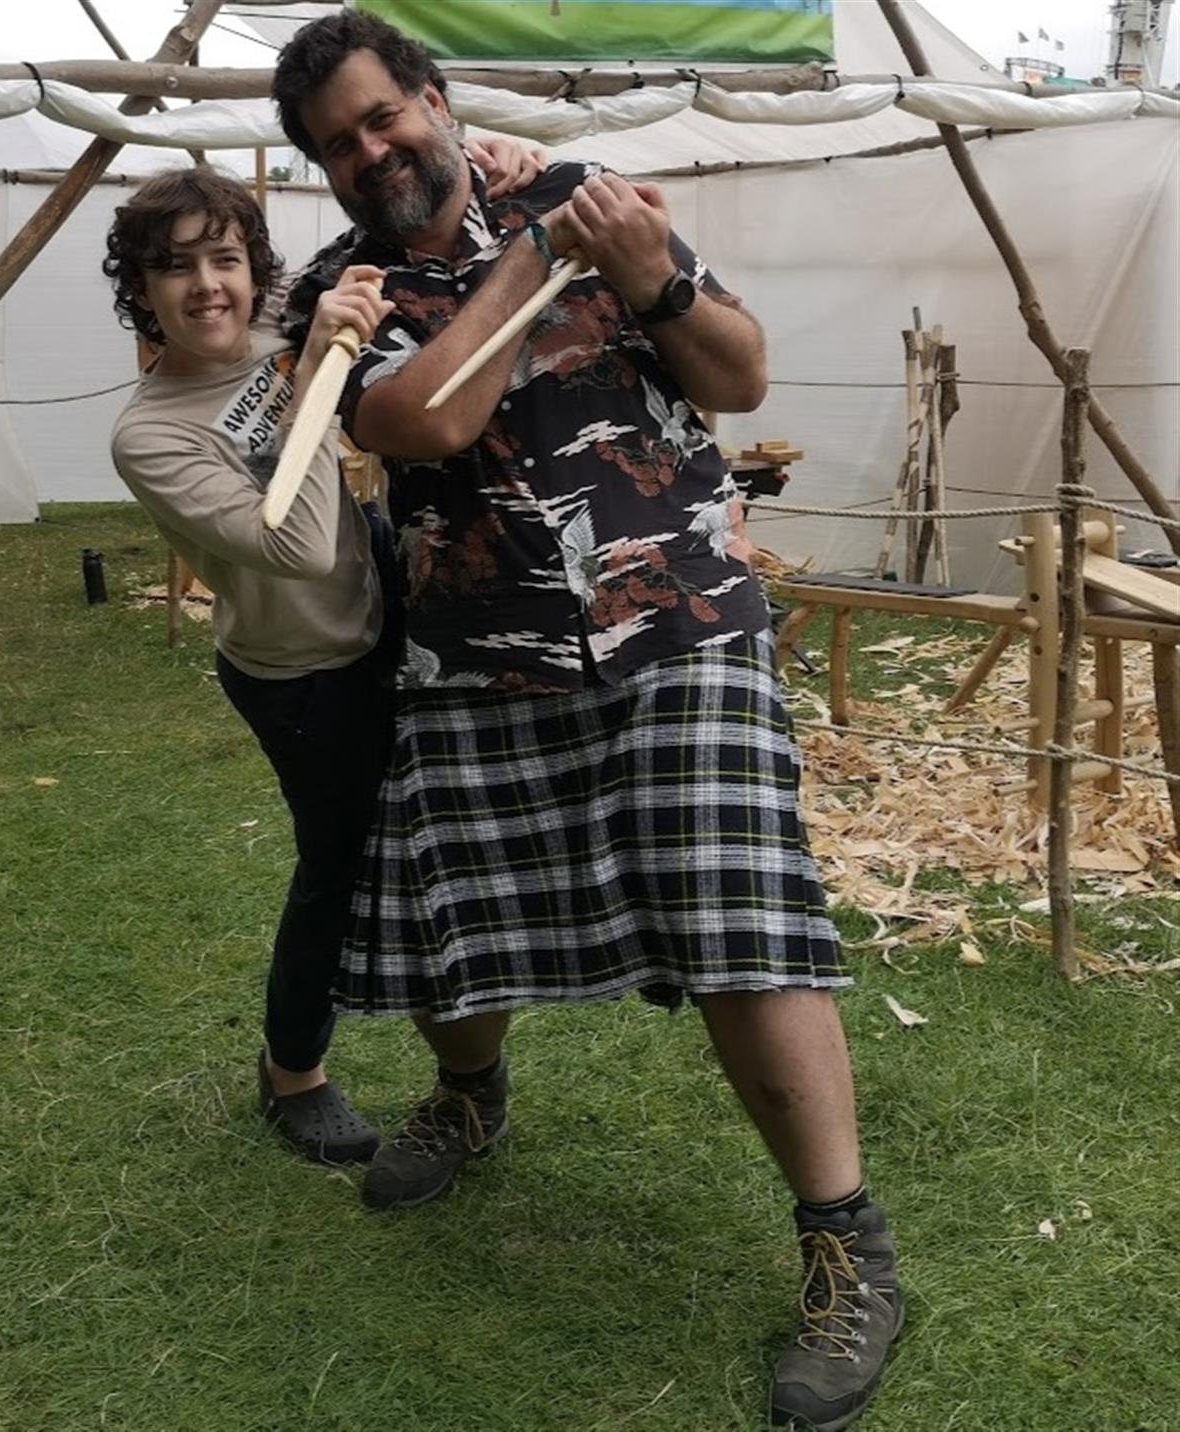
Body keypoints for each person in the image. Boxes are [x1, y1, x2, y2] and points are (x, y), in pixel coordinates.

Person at [271, 14, 903, 1431]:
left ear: (435, 98)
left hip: (680, 615)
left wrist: (647, 270)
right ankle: (471, 1094)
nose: (371, 153)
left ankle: (845, 1244)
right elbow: (423, 424)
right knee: (453, 918)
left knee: (734, 905)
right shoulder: (340, 293)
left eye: (384, 117)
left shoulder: (590, 201)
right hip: (477, 650)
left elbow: (739, 376)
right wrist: (533, 254)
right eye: (338, 145)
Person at [103, 151, 542, 1167]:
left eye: (224, 259)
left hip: (382, 603)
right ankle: (291, 1070)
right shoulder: (152, 436)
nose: (207, 286)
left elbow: (394, 228)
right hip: (299, 670)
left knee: (425, 838)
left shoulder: (273, 324)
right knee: (337, 870)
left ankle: (463, 1054)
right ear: (143, 291)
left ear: (253, 268)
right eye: (175, 267)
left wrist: (496, 164)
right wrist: (312, 375)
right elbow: (295, 543)